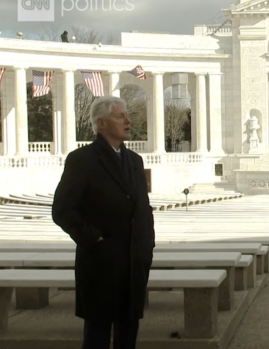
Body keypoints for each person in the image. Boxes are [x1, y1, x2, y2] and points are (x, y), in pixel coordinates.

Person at [52, 96, 155, 349]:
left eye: (127, 115)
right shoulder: (82, 159)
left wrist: (147, 245)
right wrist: (95, 239)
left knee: (128, 333)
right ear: (102, 123)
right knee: (97, 335)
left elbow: (142, 207)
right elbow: (63, 210)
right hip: (100, 261)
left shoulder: (134, 161)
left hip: (133, 261)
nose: (129, 121)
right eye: (120, 116)